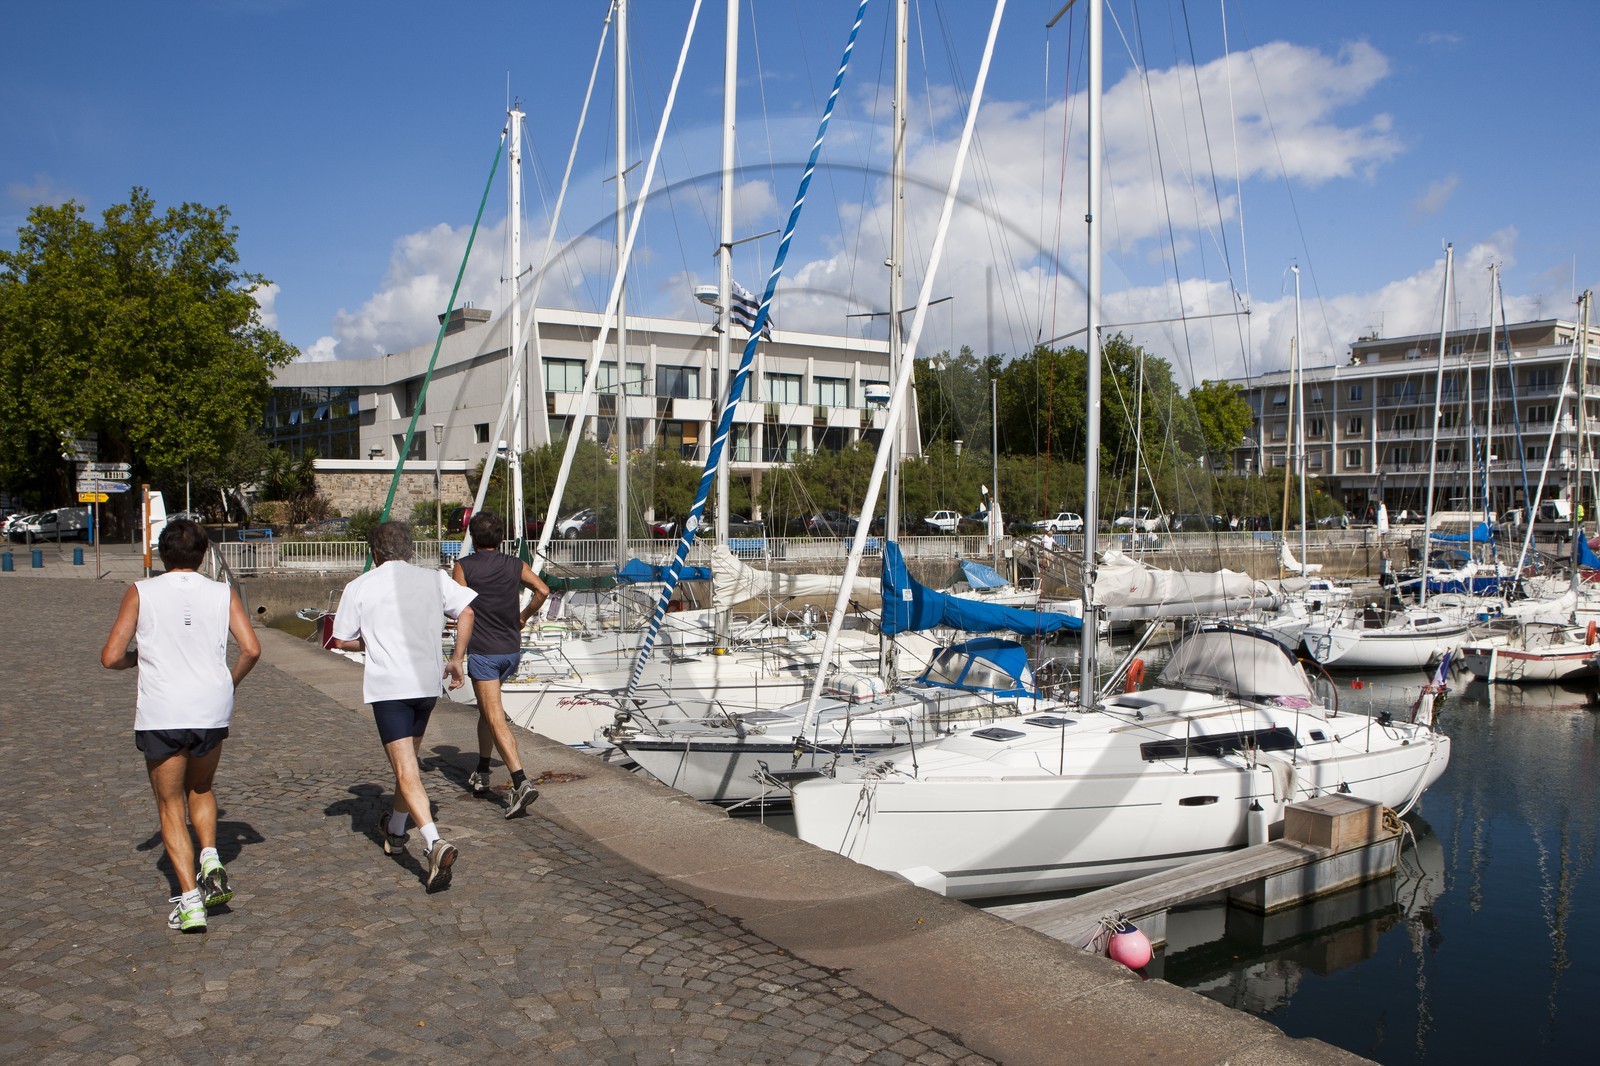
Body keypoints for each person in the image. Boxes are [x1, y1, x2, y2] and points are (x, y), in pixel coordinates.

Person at [100, 519, 260, 933]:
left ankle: (190, 902)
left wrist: (138, 659)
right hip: (210, 709)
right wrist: (228, 683)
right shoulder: (222, 592)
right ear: (204, 553)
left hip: (163, 712)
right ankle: (210, 855)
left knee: (170, 804)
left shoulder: (141, 591)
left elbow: (111, 656)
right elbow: (251, 649)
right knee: (202, 788)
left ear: (162, 552)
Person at [331, 520, 477, 891]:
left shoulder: (360, 586)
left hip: (390, 689)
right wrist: (457, 658)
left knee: (406, 769)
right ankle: (395, 832)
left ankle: (433, 842)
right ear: (410, 549)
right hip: (426, 685)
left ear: (374, 552)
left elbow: (342, 639)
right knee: (407, 764)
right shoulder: (435, 578)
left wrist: (372, 641)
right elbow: (468, 612)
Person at [452, 511, 550, 818]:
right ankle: (482, 770)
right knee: (486, 709)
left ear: (473, 537)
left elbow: (457, 609)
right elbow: (543, 591)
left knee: (495, 717)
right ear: (500, 538)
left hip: (484, 653)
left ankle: (520, 782)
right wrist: (523, 616)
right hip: (510, 651)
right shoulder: (515, 564)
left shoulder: (463, 567)